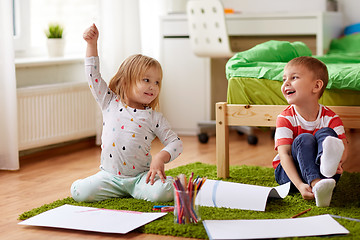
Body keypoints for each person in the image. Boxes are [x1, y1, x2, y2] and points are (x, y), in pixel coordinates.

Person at [71, 24, 183, 203]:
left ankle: (179, 183)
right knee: (79, 192)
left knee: (160, 195)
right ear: (125, 81)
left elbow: (176, 143)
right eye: (146, 80)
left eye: (157, 82)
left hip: (140, 179)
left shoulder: (154, 117)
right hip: (108, 178)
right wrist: (91, 44)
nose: (153, 86)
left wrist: (161, 157)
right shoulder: (109, 102)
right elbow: (93, 76)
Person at [273, 56, 348, 207]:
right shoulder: (285, 118)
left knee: (326, 133)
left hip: (325, 174)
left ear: (316, 86)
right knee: (304, 138)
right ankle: (316, 183)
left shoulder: (331, 117)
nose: (286, 83)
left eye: (294, 78)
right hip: (290, 175)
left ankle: (325, 172)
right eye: (284, 79)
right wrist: (300, 185)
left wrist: (339, 162)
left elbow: (343, 147)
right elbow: (285, 154)